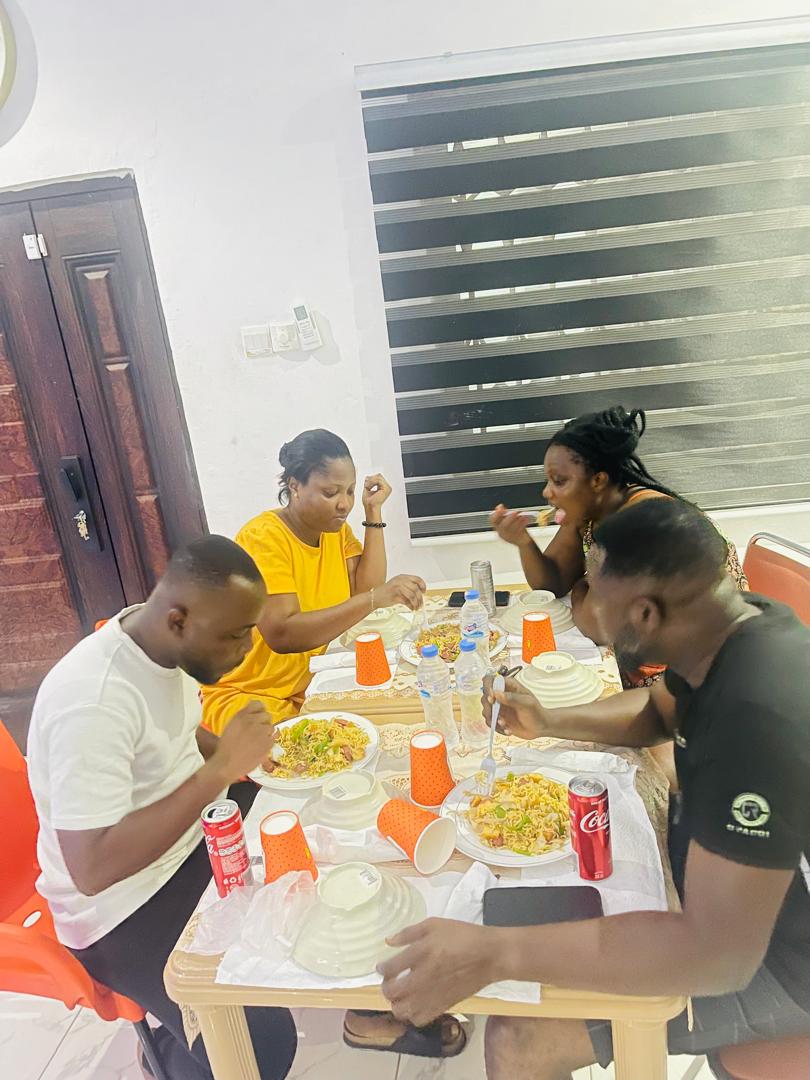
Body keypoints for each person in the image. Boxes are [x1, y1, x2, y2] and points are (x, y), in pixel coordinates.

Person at [377, 499, 810, 1078]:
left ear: (646, 613)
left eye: (595, 598)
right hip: (737, 892)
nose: (586, 611)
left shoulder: (755, 720)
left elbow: (716, 956)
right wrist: (548, 720)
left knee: (520, 1037)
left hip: (781, 963)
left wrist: (496, 954)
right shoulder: (734, 624)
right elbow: (659, 711)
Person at [27, 536, 298, 1080]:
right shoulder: (93, 701)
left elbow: (174, 733)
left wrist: (230, 754)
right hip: (123, 904)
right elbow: (91, 869)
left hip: (190, 835)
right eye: (235, 635)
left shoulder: (158, 641)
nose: (247, 649)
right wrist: (221, 769)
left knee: (307, 822)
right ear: (178, 620)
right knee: (259, 1048)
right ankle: (170, 1062)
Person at [490, 406, 748, 688]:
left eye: (559, 481)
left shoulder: (644, 523)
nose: (546, 492)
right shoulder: (590, 510)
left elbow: (596, 625)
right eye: (548, 480)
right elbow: (550, 584)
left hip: (701, 675)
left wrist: (583, 585)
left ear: (598, 480)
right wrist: (523, 542)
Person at [201, 429, 426, 735]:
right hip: (250, 695)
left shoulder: (334, 532)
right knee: (322, 750)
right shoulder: (263, 538)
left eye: (350, 491)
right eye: (330, 493)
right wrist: (374, 598)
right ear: (295, 486)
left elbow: (366, 589)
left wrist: (373, 511)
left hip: (308, 685)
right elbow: (283, 634)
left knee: (395, 718)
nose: (344, 504)